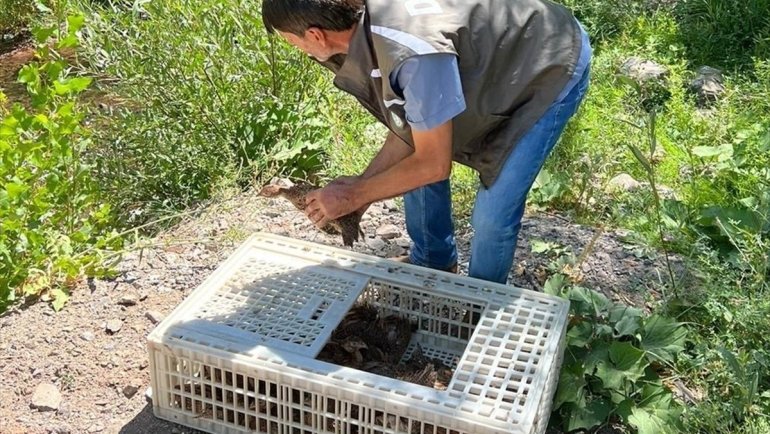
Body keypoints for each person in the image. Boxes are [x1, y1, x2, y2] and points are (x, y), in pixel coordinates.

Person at [262, 0, 591, 284]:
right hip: (487, 63)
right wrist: (360, 191)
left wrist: (356, 195)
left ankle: (482, 299)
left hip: (546, 63)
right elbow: (410, 130)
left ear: (315, 35)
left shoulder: (411, 52)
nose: (297, 49)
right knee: (415, 160)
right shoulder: (358, 29)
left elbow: (432, 163)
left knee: (493, 215)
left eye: (292, 41)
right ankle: (434, 261)